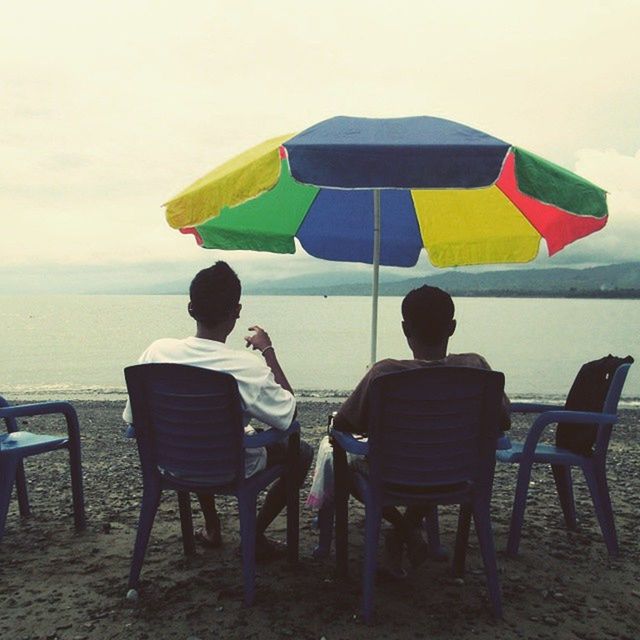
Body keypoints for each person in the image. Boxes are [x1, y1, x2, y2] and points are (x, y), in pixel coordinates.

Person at [309, 284, 510, 574]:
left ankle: (400, 529)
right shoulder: (478, 369)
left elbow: (343, 424)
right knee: (432, 458)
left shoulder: (385, 374)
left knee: (343, 463)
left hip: (395, 477)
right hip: (459, 475)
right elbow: (503, 420)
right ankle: (407, 530)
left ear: (405, 329)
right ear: (452, 327)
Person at [123, 261, 313, 559]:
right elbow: (289, 413)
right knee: (301, 452)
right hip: (227, 467)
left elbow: (133, 420)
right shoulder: (245, 367)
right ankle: (254, 533)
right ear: (237, 311)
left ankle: (212, 527)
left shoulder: (155, 352)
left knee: (196, 429)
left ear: (190, 308)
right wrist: (267, 350)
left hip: (171, 462)